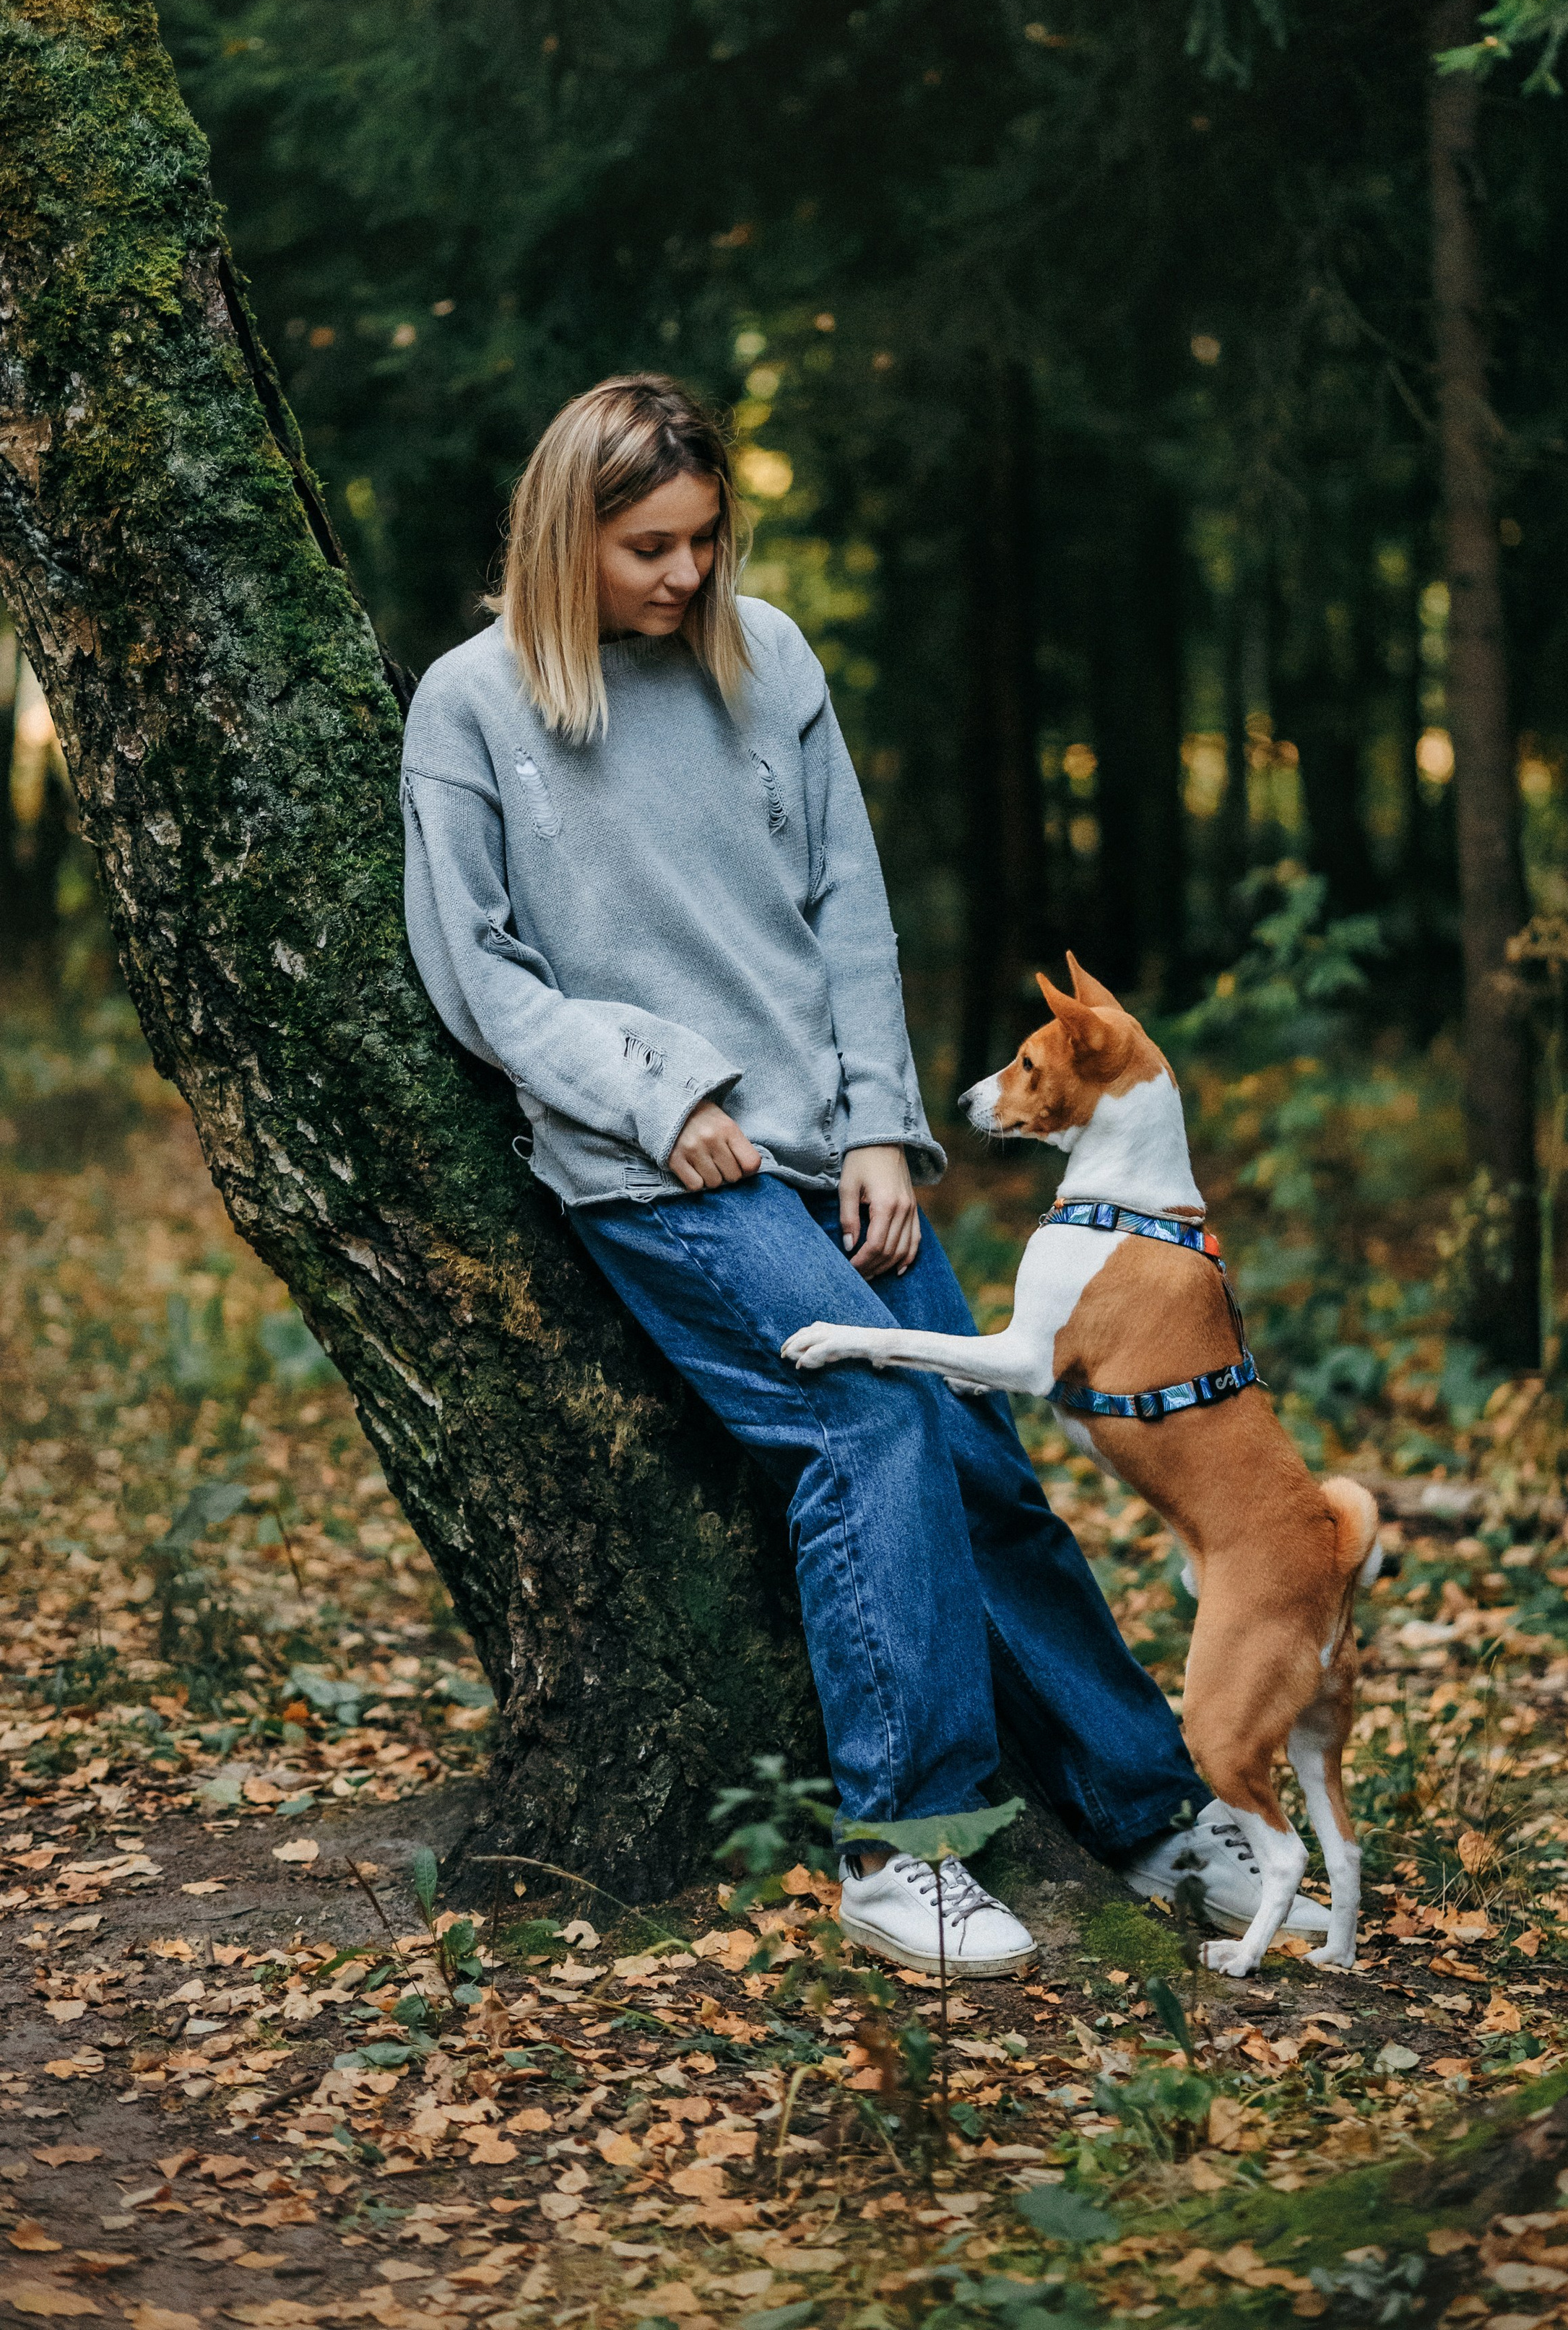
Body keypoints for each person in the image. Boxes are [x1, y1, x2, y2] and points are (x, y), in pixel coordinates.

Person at [399, 371, 1311, 1972]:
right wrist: (653, 1089)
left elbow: (848, 913)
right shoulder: (470, 707)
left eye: (703, 541)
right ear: (565, 537)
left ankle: (1152, 1819)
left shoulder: (771, 664)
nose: (684, 577)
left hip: (837, 1155)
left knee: (984, 1478)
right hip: (654, 1167)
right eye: (648, 548)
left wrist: (882, 1125)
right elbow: (476, 975)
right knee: (871, 1428)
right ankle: (911, 1848)